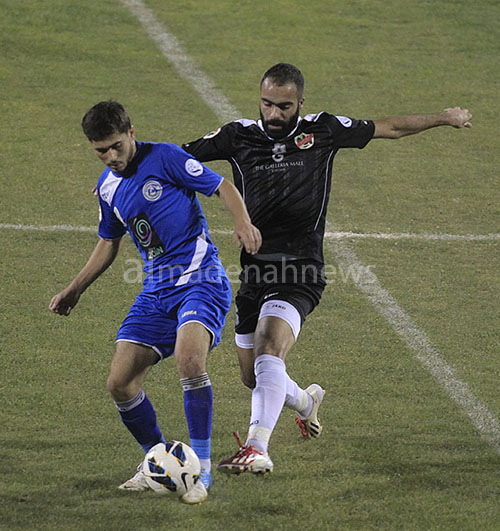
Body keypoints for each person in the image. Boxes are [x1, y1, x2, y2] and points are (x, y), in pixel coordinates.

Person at [182, 62, 472, 475]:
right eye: (267, 104)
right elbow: (176, 158)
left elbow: (389, 127)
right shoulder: (238, 136)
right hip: (254, 273)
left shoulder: (323, 130)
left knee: (269, 348)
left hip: (301, 268)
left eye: (284, 106)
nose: (274, 114)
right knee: (253, 376)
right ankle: (306, 401)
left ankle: (256, 447)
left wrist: (443, 118)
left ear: (300, 103)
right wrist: (122, 172)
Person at [49, 100, 261, 504]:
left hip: (201, 279)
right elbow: (108, 242)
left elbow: (223, 186)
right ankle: (159, 461)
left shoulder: (165, 157)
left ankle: (202, 470)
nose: (111, 157)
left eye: (116, 146)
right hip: (156, 290)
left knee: (190, 360)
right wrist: (75, 289)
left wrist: (242, 221)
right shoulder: (108, 187)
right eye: (101, 151)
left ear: (131, 133)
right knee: (119, 383)